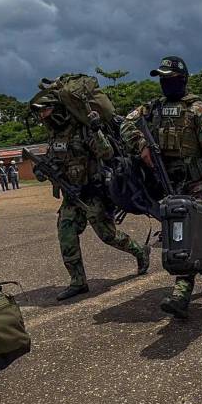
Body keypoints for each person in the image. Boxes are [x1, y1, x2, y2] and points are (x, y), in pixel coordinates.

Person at [120, 56, 202, 319]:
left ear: (182, 79)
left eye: (170, 78)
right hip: (169, 183)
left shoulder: (198, 109)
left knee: (194, 233)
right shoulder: (152, 108)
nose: (166, 83)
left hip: (197, 182)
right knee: (180, 233)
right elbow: (124, 123)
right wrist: (141, 144)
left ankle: (192, 288)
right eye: (162, 79)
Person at [30, 90, 148, 301]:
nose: (42, 116)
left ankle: (139, 251)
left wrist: (95, 129)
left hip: (93, 194)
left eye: (45, 111)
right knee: (66, 235)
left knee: (108, 236)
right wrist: (41, 170)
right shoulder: (55, 135)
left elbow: (107, 153)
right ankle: (78, 281)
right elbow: (54, 159)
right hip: (71, 196)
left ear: (56, 109)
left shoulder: (83, 130)